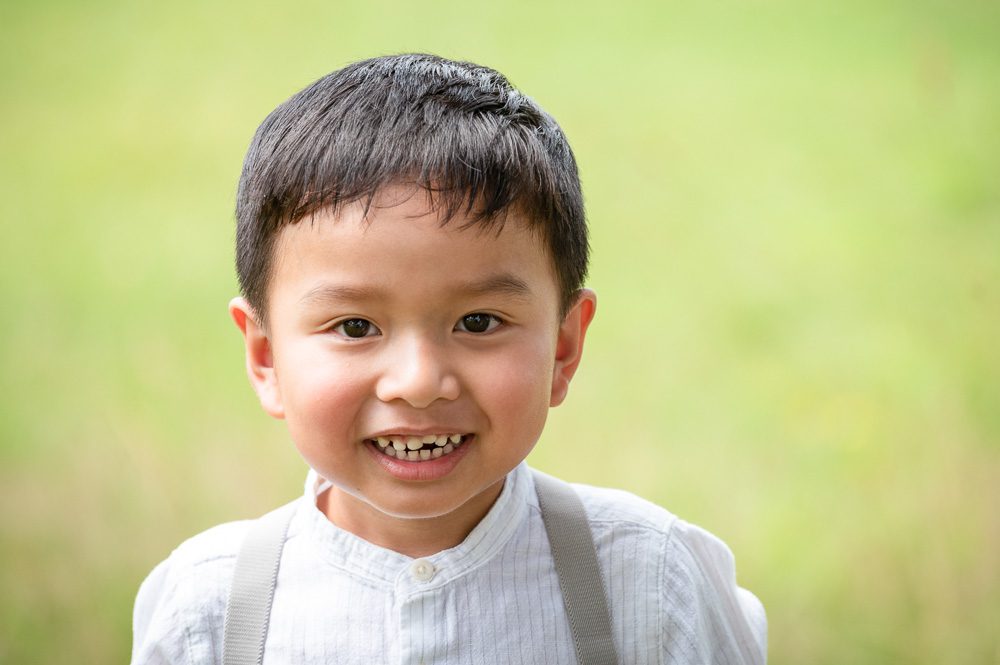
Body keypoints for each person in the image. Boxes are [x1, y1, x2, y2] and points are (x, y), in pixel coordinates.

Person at [130, 53, 767, 664]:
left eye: (479, 322)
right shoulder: (210, 611)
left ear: (564, 347)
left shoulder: (647, 582)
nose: (418, 383)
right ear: (266, 357)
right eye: (355, 326)